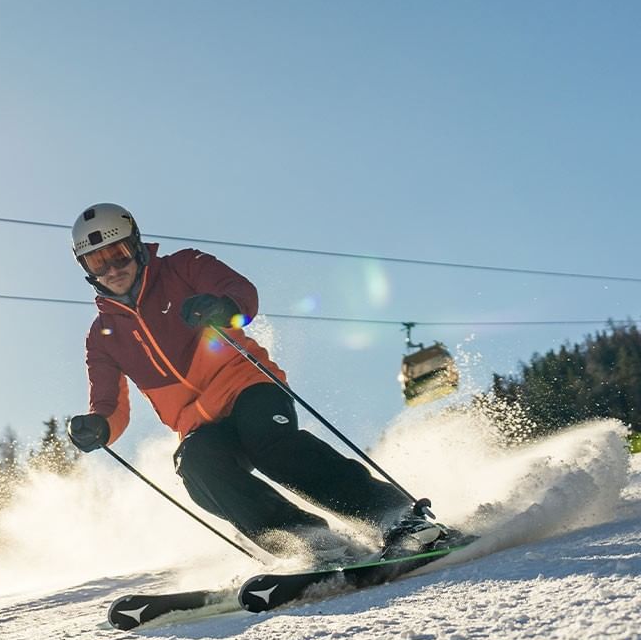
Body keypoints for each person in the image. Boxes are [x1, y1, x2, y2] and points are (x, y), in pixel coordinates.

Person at [64, 202, 443, 563]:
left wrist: (223, 308)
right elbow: (110, 407)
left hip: (248, 387)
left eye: (118, 253)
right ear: (86, 268)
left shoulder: (183, 267)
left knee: (272, 446)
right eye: (98, 261)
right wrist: (98, 427)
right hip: (198, 425)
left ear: (136, 246)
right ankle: (311, 542)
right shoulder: (102, 336)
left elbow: (240, 291)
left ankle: (396, 517)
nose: (112, 268)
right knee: (197, 469)